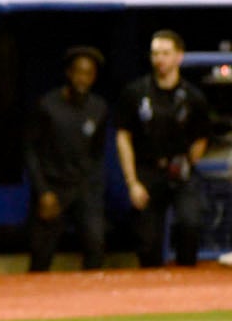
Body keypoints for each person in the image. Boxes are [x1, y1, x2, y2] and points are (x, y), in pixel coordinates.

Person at [115, 30, 211, 268]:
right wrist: (132, 182)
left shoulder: (193, 96)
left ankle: (187, 290)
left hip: (180, 169)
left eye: (166, 53)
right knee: (147, 243)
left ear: (179, 56)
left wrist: (190, 161)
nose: (160, 59)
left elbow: (202, 135)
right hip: (148, 169)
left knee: (190, 225)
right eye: (155, 53)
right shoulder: (136, 92)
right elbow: (123, 136)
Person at [25, 46, 109, 271]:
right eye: (79, 72)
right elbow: (31, 151)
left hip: (83, 187)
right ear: (69, 73)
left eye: (88, 73)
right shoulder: (47, 105)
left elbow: (97, 153)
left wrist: (93, 190)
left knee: (95, 243)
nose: (83, 79)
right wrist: (43, 192)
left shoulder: (99, 108)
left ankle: (91, 302)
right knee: (41, 253)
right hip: (53, 188)